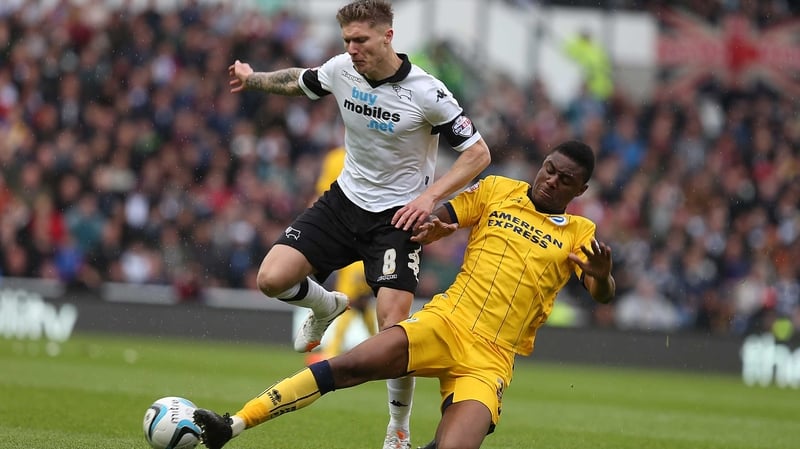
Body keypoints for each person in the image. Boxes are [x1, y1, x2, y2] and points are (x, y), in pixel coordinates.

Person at [192, 140, 616, 449]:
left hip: (490, 360)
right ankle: (233, 424)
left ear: (579, 192)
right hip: (445, 323)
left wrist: (602, 277)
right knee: (349, 366)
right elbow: (443, 216)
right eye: (549, 169)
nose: (551, 181)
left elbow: (601, 294)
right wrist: (432, 226)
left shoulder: (581, 233)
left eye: (565, 180)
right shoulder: (497, 192)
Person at [226, 1, 491, 448]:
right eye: (347, 41)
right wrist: (253, 79)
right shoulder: (340, 70)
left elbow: (478, 154)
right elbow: (299, 80)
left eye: (361, 41)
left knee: (394, 331)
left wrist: (430, 197)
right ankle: (325, 305)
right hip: (343, 203)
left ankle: (398, 429)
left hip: (396, 219)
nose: (352, 49)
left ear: (388, 36)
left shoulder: (428, 92)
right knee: (271, 278)